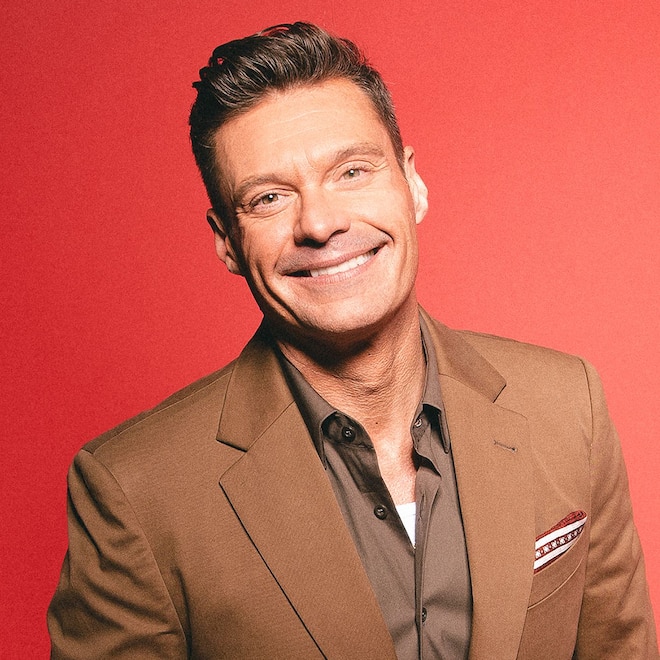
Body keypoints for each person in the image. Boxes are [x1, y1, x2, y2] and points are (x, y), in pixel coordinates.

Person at [48, 22, 658, 659]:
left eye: (352, 171)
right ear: (226, 240)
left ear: (412, 183)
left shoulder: (568, 405)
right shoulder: (134, 491)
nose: (320, 222)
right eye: (269, 197)